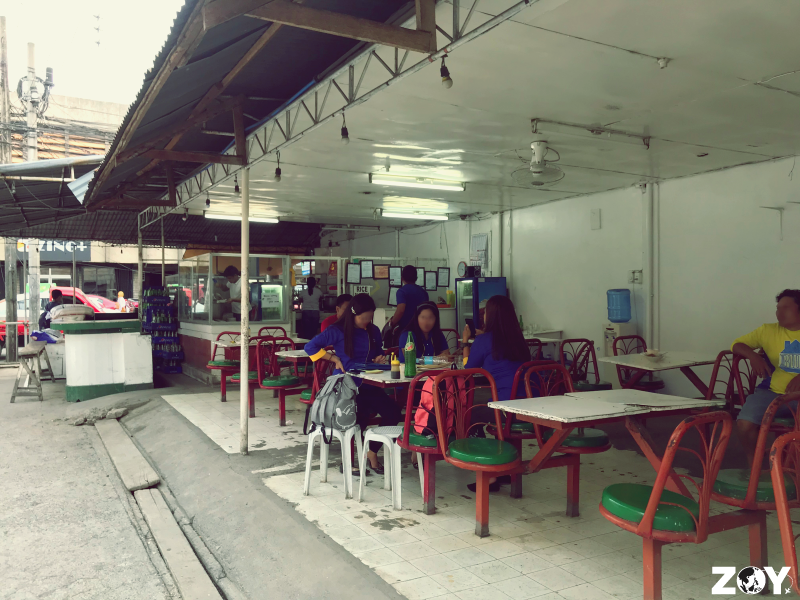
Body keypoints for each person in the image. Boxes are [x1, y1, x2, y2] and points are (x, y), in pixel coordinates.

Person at [304, 294, 401, 475]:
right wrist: (333, 358)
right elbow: (310, 346)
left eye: (369, 318)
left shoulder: (373, 331)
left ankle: (371, 452)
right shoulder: (338, 330)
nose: (366, 321)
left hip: (370, 384)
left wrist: (379, 359)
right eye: (363, 318)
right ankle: (347, 460)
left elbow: (378, 352)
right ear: (353, 314)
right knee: (358, 418)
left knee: (393, 412)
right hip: (347, 386)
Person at [461, 295, 530, 492]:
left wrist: (467, 343)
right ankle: (506, 469)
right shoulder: (519, 339)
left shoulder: (483, 340)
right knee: (493, 407)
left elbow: (469, 370)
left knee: (469, 413)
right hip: (530, 404)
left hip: (505, 408)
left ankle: (489, 472)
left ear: (489, 316)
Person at [733, 289, 800, 466]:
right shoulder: (768, 330)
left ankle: (792, 467)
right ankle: (755, 462)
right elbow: (737, 345)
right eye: (777, 308)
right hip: (774, 393)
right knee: (744, 424)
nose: (779, 312)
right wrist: (753, 356)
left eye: (785, 307)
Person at [386, 265, 429, 344]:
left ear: (402, 278)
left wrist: (391, 323)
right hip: (422, 330)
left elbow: (401, 310)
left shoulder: (402, 291)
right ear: (416, 278)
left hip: (406, 331)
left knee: (406, 353)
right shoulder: (423, 292)